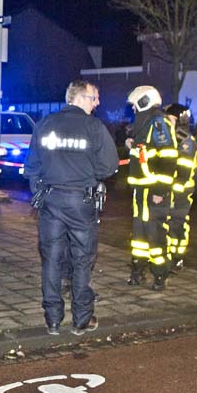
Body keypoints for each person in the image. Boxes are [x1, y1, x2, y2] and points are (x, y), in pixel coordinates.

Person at [24, 80, 118, 336]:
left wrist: (40, 190)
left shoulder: (44, 124)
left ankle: (53, 320)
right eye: (94, 98)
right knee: (82, 260)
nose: (97, 103)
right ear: (80, 98)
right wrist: (88, 174)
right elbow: (109, 166)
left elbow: (31, 166)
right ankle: (81, 320)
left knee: (52, 260)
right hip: (81, 202)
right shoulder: (93, 127)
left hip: (51, 200)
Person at [125, 85, 178, 291]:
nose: (134, 110)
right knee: (139, 234)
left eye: (135, 105)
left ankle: (160, 274)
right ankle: (138, 270)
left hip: (153, 190)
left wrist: (160, 190)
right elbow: (145, 153)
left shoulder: (158, 123)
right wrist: (132, 146)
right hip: (141, 190)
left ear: (144, 101)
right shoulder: (145, 123)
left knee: (154, 233)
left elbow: (168, 158)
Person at [165, 103, 197, 271]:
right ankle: (170, 256)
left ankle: (177, 257)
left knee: (177, 224)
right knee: (169, 224)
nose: (166, 121)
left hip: (180, 192)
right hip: (171, 190)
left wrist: (173, 190)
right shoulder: (171, 137)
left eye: (169, 118)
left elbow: (184, 171)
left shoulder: (184, 140)